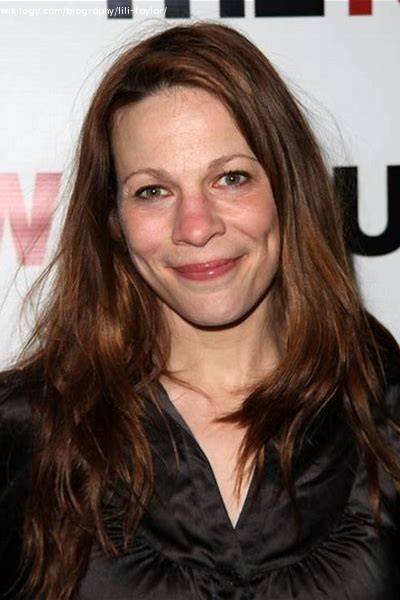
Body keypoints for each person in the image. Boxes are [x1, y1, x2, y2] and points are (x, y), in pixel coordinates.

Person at [1, 20, 400, 600]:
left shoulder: (385, 411)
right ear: (113, 220)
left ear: (290, 190)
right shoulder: (25, 432)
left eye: (231, 178)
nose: (195, 227)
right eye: (152, 191)